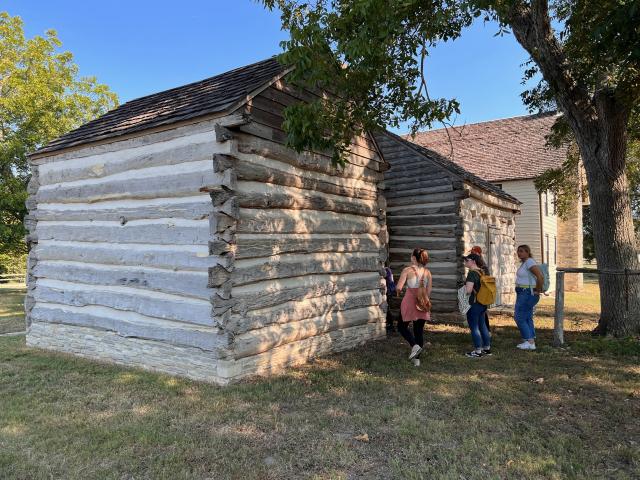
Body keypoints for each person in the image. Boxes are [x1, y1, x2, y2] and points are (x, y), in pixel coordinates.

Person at [395, 248, 432, 367]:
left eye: (411, 255)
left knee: (401, 326)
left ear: (414, 258)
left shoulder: (407, 270)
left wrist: (396, 291)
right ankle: (417, 360)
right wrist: (423, 300)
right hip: (423, 302)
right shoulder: (427, 272)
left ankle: (414, 345)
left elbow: (399, 287)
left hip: (409, 301)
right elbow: (429, 291)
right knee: (419, 331)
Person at [514, 245, 545, 350]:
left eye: (522, 251)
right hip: (523, 292)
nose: (519, 253)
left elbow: (540, 276)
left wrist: (538, 290)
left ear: (528, 252)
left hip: (527, 292)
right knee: (527, 317)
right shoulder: (524, 263)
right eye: (518, 251)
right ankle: (530, 340)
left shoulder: (529, 262)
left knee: (519, 317)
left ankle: (530, 341)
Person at [462, 253, 492, 358]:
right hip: (483, 302)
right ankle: (487, 348)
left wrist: (463, 288)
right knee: (482, 325)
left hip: (474, 303)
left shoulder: (472, 274)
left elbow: (468, 290)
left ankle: (478, 350)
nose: (465, 262)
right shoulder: (482, 271)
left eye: (467, 260)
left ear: (473, 261)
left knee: (474, 327)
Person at [470, 246, 491, 331]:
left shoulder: (483, 266)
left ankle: (486, 330)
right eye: (471, 253)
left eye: (473, 253)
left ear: (478, 253)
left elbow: (486, 279)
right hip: (474, 292)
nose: (472, 254)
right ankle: (481, 329)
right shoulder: (473, 264)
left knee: (483, 312)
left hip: (481, 292)